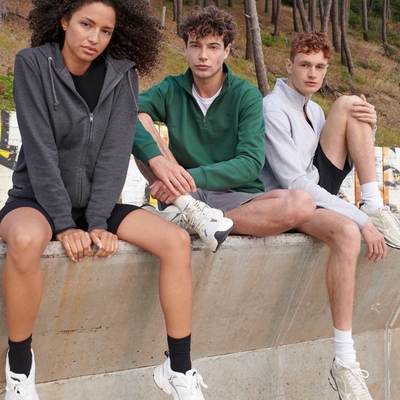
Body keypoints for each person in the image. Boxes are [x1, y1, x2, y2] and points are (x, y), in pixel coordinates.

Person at [0, 1, 206, 399]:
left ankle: (178, 369)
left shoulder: (122, 75)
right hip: (36, 199)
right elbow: (40, 150)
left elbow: (114, 154)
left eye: (105, 31)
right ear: (64, 20)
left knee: (176, 241)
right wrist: (64, 225)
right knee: (24, 240)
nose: (94, 38)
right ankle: (20, 373)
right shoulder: (33, 64)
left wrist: (96, 222)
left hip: (98, 203)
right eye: (86, 24)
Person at [261, 31, 400, 399]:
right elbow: (294, 182)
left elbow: (345, 148)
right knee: (348, 234)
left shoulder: (315, 109)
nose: (312, 74)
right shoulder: (272, 109)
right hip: (287, 198)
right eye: (304, 65)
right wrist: (358, 219)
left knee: (352, 105)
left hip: (314, 184)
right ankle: (345, 362)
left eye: (320, 67)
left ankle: (374, 203)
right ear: (288, 65)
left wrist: (369, 123)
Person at [133, 5, 316, 244]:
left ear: (227, 51)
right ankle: (189, 210)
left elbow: (250, 164)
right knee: (140, 120)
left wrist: (189, 176)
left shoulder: (246, 95)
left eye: (213, 47)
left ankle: (201, 221)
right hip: (183, 193)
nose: (203, 56)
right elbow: (126, 112)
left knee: (302, 203)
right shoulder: (170, 89)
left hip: (235, 197)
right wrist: (164, 167)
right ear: (186, 48)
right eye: (195, 46)